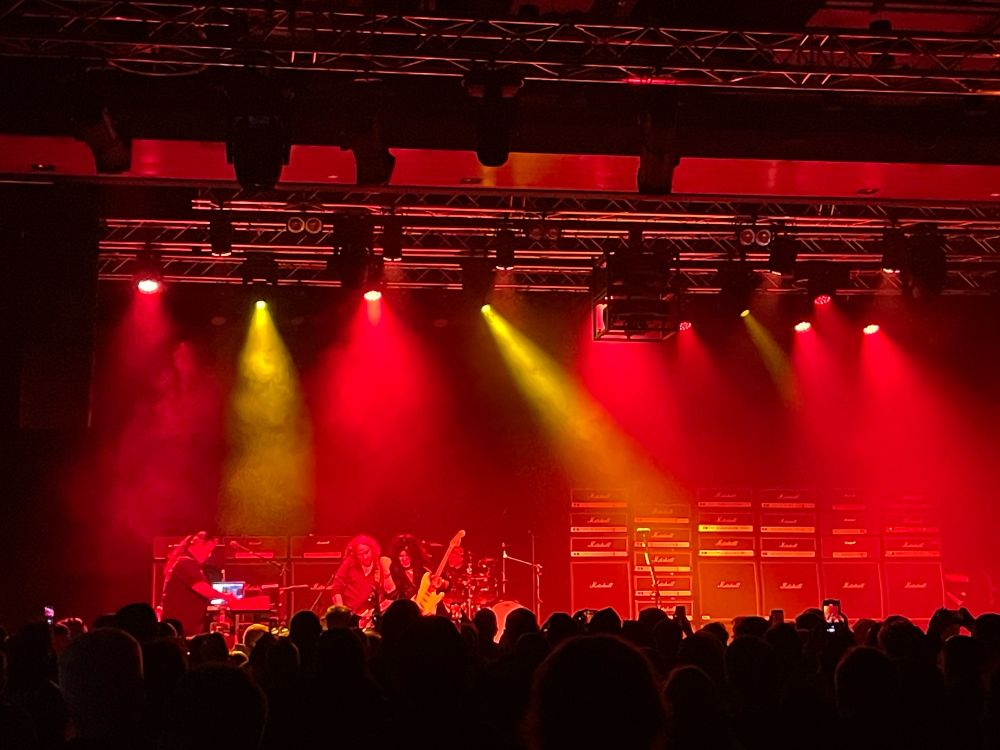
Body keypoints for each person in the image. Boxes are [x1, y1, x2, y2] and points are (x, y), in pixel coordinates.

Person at [161, 531, 234, 637]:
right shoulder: (186, 563)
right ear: (197, 544)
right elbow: (201, 588)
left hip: (183, 622)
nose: (209, 555)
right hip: (182, 622)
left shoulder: (186, 562)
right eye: (208, 550)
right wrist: (226, 597)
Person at [329, 535, 393, 626]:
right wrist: (341, 613)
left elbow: (390, 594)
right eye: (360, 554)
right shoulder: (349, 563)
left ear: (373, 550)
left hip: (370, 618)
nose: (365, 557)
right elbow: (336, 588)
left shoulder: (380, 565)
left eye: (367, 552)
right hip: (349, 616)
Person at [387, 534, 431, 601]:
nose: (404, 559)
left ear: (413, 554)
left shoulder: (423, 570)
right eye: (401, 556)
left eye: (407, 555)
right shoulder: (394, 574)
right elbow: (392, 596)